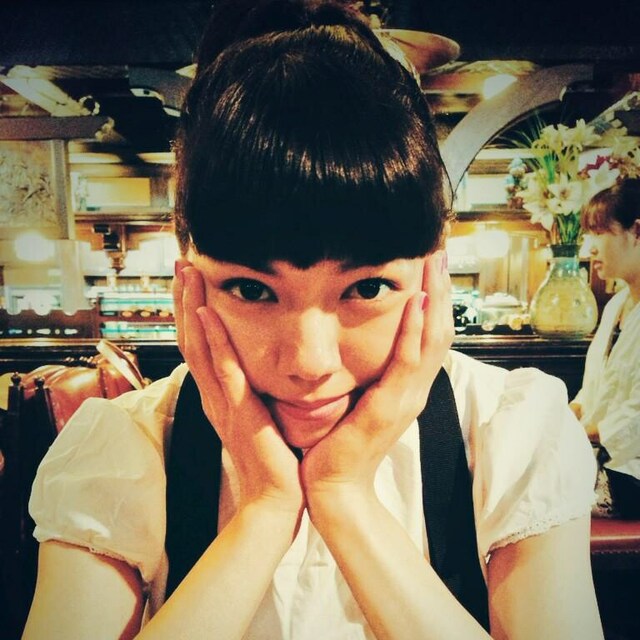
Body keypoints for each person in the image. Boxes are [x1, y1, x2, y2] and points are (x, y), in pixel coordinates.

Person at [23, 1, 602, 638]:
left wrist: (343, 495)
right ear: (190, 281)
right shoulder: (125, 447)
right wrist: (265, 509)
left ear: (431, 275)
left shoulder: (508, 430)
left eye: (367, 288)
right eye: (251, 289)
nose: (309, 362)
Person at [571, 178, 640, 519]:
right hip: (607, 465)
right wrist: (566, 413)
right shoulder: (616, 305)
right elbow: (596, 388)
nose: (589, 249)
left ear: (636, 231)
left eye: (599, 233)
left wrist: (574, 432)